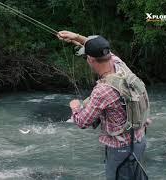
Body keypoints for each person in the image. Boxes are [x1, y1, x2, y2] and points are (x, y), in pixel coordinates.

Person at [57, 31, 151, 180]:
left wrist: (75, 107)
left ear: (90, 60)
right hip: (139, 140)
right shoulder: (120, 64)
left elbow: (82, 122)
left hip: (120, 150)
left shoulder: (103, 90)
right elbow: (99, 47)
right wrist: (76, 37)